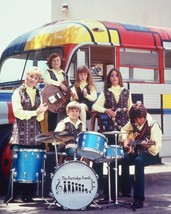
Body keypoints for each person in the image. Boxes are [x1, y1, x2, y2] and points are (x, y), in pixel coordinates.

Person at [4, 67, 48, 203]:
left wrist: (42, 112)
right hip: (21, 133)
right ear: (26, 76)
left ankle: (28, 195)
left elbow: (40, 118)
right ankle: (12, 195)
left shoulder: (39, 94)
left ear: (38, 81)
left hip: (35, 132)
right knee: (17, 164)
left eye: (35, 78)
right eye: (31, 76)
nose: (32, 79)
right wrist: (36, 112)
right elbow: (18, 112)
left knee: (32, 163)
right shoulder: (17, 92)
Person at [92, 68, 132, 201]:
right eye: (112, 76)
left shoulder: (127, 92)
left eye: (116, 75)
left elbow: (131, 110)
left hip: (124, 130)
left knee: (124, 159)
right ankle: (110, 191)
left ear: (119, 78)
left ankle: (126, 190)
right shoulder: (105, 93)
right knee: (112, 159)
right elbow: (95, 107)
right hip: (111, 130)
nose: (114, 78)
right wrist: (106, 110)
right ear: (109, 79)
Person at [119, 103, 162, 209]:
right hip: (135, 152)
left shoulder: (153, 125)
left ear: (145, 115)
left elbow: (156, 147)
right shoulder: (132, 122)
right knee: (118, 158)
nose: (138, 121)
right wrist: (125, 139)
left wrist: (148, 146)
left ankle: (139, 198)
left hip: (150, 154)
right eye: (136, 118)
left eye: (141, 118)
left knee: (139, 161)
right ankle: (121, 191)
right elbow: (123, 130)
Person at [43, 53, 69, 132]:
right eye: (54, 61)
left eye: (58, 60)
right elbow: (47, 81)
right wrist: (59, 84)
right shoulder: (48, 72)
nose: (56, 62)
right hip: (51, 100)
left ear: (61, 62)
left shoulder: (64, 74)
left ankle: (62, 142)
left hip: (62, 101)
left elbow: (69, 86)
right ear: (50, 63)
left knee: (63, 120)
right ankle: (51, 142)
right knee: (52, 120)